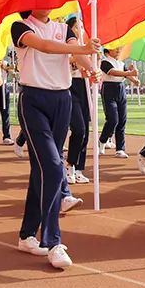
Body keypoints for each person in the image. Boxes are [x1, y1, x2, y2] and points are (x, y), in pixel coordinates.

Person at [12, 9, 99, 269]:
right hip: (34, 100)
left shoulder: (63, 28)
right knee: (52, 166)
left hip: (62, 100)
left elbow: (72, 52)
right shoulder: (21, 27)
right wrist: (84, 49)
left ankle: (27, 235)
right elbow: (46, 47)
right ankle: (52, 241)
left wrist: (91, 66)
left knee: (41, 172)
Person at [65, 16, 92, 185]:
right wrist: (78, 56)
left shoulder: (85, 47)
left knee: (86, 132)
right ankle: (69, 166)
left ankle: (78, 168)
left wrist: (88, 68)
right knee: (78, 128)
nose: (79, 30)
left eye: (81, 27)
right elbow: (65, 61)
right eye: (76, 27)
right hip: (68, 87)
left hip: (83, 87)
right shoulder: (65, 47)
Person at [98, 47, 138, 158]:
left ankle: (120, 148)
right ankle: (102, 141)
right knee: (112, 119)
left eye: (119, 48)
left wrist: (134, 80)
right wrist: (129, 72)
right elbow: (113, 72)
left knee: (122, 120)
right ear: (108, 51)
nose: (118, 50)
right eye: (115, 48)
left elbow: (125, 74)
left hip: (121, 89)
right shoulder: (105, 62)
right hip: (109, 89)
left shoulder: (120, 62)